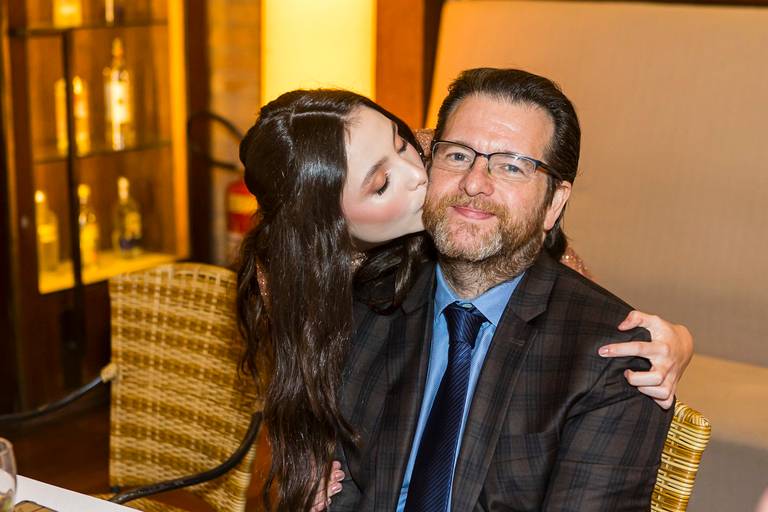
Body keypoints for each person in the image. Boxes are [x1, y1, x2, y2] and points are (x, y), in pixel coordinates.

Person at [236, 88, 692, 511]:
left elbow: (572, 311)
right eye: (381, 184)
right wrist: (306, 476)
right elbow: (305, 409)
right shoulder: (321, 293)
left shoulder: (447, 163)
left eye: (402, 144)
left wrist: (678, 340)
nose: (420, 175)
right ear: (328, 228)